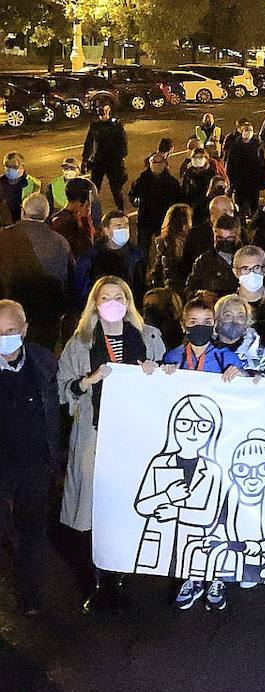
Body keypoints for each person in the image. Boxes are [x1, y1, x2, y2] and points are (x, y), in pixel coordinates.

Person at [57, 276, 165, 612]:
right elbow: (63, 390)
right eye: (106, 297)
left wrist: (154, 371)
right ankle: (101, 580)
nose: (113, 302)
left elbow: (167, 385)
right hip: (95, 433)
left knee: (126, 504)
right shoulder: (80, 342)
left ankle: (121, 575)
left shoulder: (148, 337)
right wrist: (88, 380)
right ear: (95, 302)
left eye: (119, 296)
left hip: (134, 436)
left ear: (128, 301)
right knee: (95, 505)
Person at [0, 299, 61, 615]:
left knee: (33, 532)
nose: (4, 338)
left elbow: (58, 407)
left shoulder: (44, 361)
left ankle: (30, 596)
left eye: (10, 330)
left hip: (35, 463)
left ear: (24, 330)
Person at [0, 194, 73, 349]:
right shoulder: (60, 242)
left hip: (7, 322)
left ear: (23, 211)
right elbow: (70, 282)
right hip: (46, 324)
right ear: (47, 215)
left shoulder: (4, 237)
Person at [160, 300, 245, 376]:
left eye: (207, 322)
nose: (200, 327)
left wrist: (242, 375)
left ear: (214, 324)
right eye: (193, 322)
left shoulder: (225, 356)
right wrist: (156, 369)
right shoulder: (172, 357)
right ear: (183, 326)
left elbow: (245, 383)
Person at [129, 152, 185, 253]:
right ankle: (142, 267)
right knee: (143, 248)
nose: (157, 165)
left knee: (164, 248)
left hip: (163, 220)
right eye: (154, 162)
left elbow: (179, 200)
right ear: (150, 164)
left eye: (159, 162)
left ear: (164, 164)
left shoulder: (172, 183)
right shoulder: (142, 180)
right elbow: (133, 195)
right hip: (145, 219)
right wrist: (135, 200)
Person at [82, 101, 129, 210]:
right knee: (94, 188)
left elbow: (123, 142)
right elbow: (89, 142)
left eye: (103, 111)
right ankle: (91, 211)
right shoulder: (95, 125)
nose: (101, 114)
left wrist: (121, 157)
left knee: (116, 188)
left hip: (113, 161)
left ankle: (120, 210)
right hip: (99, 161)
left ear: (108, 111)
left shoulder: (115, 125)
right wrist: (85, 159)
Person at [212, 294, 265, 375]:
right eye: (228, 315)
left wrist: (248, 375)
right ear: (217, 319)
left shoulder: (258, 350)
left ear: (247, 321)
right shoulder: (206, 347)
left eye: (240, 316)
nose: (234, 321)